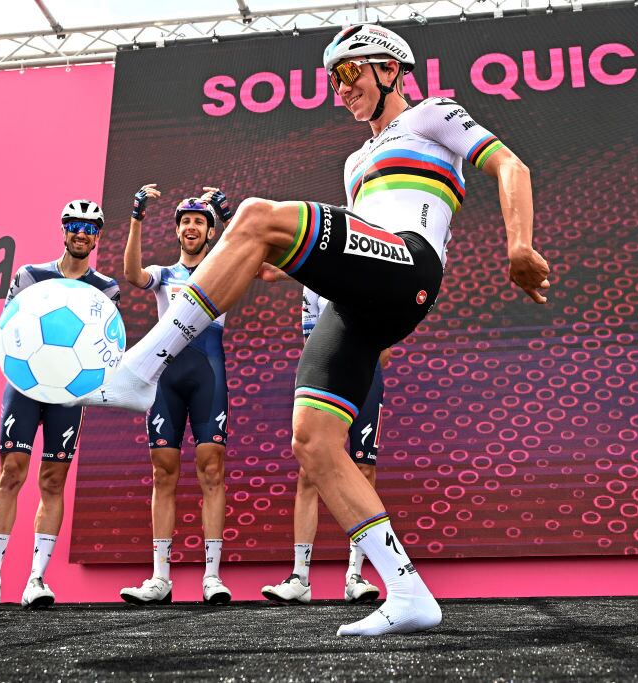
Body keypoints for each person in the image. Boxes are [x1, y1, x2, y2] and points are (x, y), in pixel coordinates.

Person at [79, 24, 550, 636]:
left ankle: (144, 367)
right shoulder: (356, 160)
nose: (341, 88)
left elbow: (511, 165)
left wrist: (519, 246)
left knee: (256, 216)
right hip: (363, 292)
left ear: (389, 70)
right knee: (314, 440)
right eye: (333, 79)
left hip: (409, 263)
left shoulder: (434, 113)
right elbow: (338, 242)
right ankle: (408, 593)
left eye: (350, 73)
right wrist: (257, 253)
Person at [0, 200, 119, 611]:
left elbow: (107, 347)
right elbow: (8, 328)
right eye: (74, 225)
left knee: (53, 481)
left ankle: (36, 579)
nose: (81, 233)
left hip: (69, 394)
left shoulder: (107, 287)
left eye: (90, 228)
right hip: (24, 386)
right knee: (11, 474)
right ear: (63, 229)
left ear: (97, 237)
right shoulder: (29, 275)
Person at [118, 185, 235, 606]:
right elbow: (132, 275)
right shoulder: (165, 276)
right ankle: (160, 578)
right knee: (163, 472)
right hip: (165, 379)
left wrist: (228, 213)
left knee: (211, 470)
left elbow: (250, 251)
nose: (190, 227)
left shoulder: (222, 270)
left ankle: (212, 576)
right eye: (185, 221)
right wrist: (136, 217)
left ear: (210, 232)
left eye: (199, 222)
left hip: (208, 374)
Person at [261, 287, 387, 605]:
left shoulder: (376, 270)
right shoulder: (314, 281)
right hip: (327, 376)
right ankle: (299, 577)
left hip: (367, 374)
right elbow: (310, 343)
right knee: (310, 471)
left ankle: (355, 576)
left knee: (363, 468)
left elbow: (385, 345)